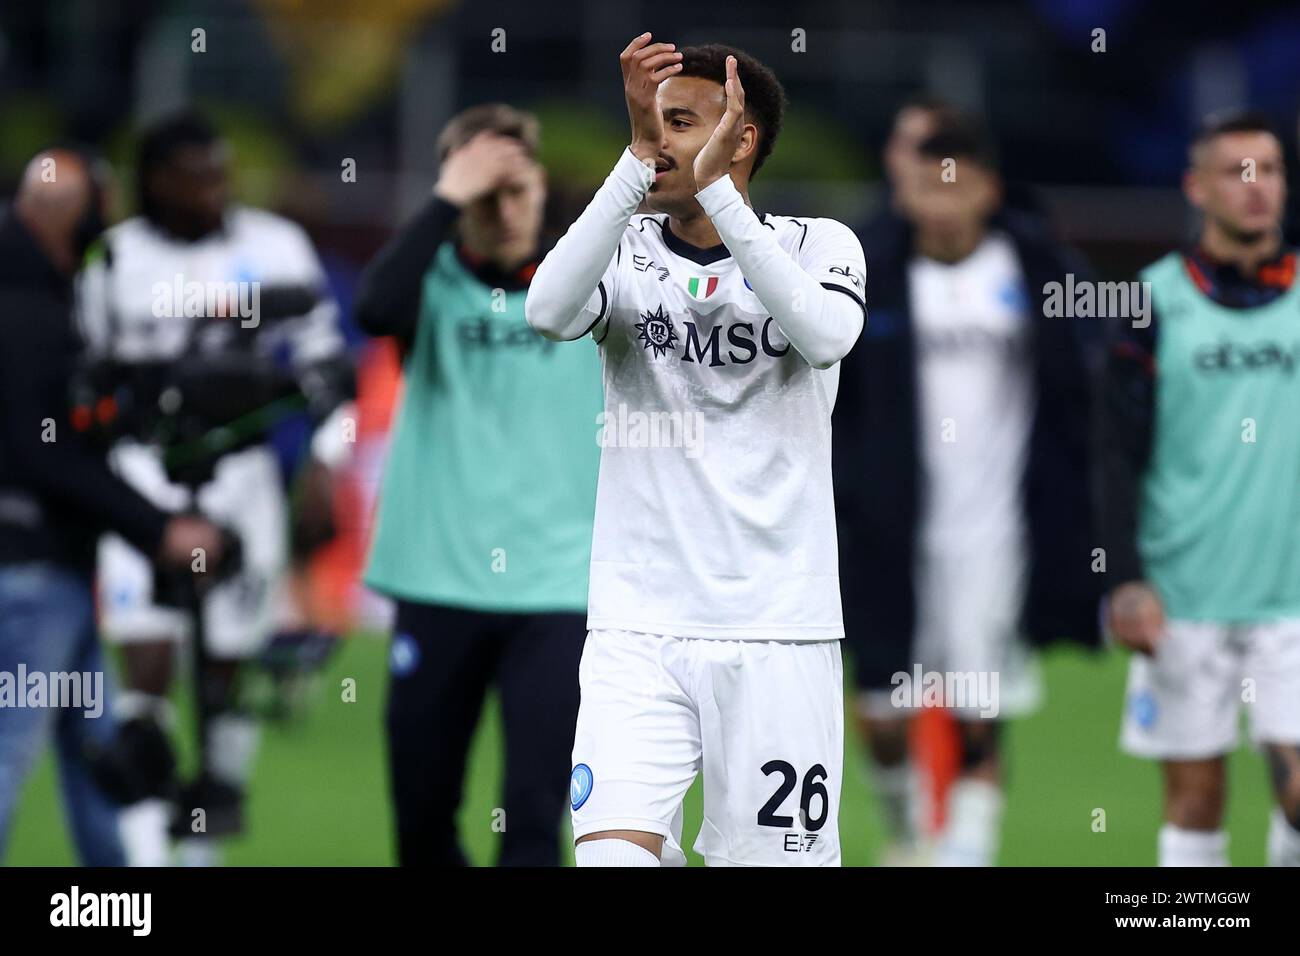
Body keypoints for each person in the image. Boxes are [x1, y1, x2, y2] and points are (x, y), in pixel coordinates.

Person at [527, 37, 866, 867]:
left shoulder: (822, 244)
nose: (663, 139)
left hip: (780, 630)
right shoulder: (627, 252)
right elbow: (546, 309)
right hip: (637, 627)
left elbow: (825, 337)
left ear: (742, 137)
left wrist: (721, 200)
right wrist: (633, 158)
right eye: (652, 120)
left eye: (683, 122)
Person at [77, 112, 352, 866]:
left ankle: (202, 844)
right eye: (196, 175)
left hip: (242, 471)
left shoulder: (274, 246)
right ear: (156, 180)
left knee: (229, 663)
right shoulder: (113, 257)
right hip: (145, 473)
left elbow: (331, 367)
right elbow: (84, 377)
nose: (214, 189)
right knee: (148, 658)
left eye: (220, 173)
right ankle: (143, 856)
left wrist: (324, 463)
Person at [835, 115, 1100, 866]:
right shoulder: (869, 275)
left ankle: (966, 855)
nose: (941, 202)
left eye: (955, 184)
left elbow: (1083, 396)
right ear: (905, 190)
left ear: (986, 189)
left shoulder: (1038, 270)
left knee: (981, 710)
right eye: (924, 184)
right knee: (883, 714)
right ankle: (910, 834)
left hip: (998, 534)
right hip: (889, 530)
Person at [354, 104, 602, 866]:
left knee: (533, 822)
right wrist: (444, 201)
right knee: (422, 818)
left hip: (558, 591)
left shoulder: (591, 289)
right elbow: (372, 310)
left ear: (541, 191)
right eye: (479, 195)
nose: (500, 212)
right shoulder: (427, 287)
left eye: (514, 191)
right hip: (436, 581)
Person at [0, 149, 224, 864]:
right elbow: (44, 453)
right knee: (10, 758)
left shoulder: (41, 299)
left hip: (54, 575)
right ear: (76, 215)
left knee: (105, 770)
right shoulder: (27, 310)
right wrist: (158, 527)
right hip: (30, 577)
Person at [1103, 110, 1300, 867]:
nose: (1257, 189)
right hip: (1182, 595)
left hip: (1289, 598)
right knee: (1194, 800)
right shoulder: (1150, 304)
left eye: (1271, 170)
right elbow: (1112, 454)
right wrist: (1123, 577)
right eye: (1236, 172)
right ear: (1197, 187)